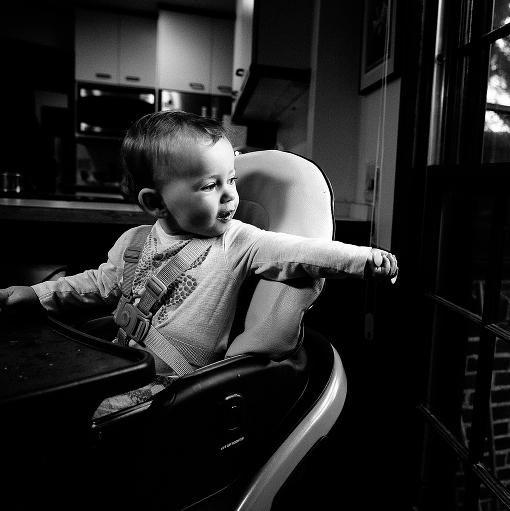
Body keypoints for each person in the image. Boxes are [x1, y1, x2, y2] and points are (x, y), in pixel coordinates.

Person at [0, 110, 397, 416]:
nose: (230, 197)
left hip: (176, 389)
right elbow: (96, 286)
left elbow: (301, 252)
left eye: (233, 180)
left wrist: (364, 259)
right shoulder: (134, 243)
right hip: (122, 364)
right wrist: (35, 295)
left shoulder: (239, 241)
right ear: (155, 203)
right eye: (210, 186)